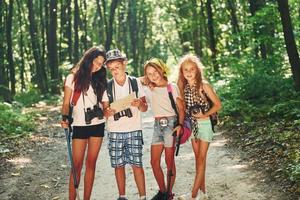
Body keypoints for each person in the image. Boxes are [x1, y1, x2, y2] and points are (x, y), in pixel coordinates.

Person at [61, 46, 107, 200]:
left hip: (98, 125)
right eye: (96, 61)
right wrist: (65, 118)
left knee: (91, 164)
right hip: (80, 125)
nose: (98, 66)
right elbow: (66, 103)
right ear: (89, 58)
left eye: (101, 64)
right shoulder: (72, 78)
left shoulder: (100, 79)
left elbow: (105, 102)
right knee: (77, 166)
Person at [102, 49, 148, 200]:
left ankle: (143, 196)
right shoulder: (107, 87)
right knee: (118, 165)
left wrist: (139, 103)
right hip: (114, 131)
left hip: (134, 129)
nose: (114, 71)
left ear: (124, 63)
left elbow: (145, 107)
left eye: (117, 67)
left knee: (137, 164)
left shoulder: (135, 82)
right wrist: (107, 112)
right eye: (111, 69)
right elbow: (104, 111)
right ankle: (122, 196)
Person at [177, 54, 221, 200]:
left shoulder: (204, 86)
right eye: (185, 70)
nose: (189, 72)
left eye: (192, 69)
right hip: (192, 126)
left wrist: (205, 115)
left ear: (197, 70)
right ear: (182, 72)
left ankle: (193, 195)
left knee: (201, 159)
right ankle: (203, 192)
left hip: (204, 125)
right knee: (198, 159)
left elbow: (218, 105)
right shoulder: (184, 88)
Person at [142, 58, 185, 200]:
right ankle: (162, 191)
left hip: (171, 125)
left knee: (169, 162)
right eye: (149, 74)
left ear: (162, 69)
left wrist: (179, 124)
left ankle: (169, 193)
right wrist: (148, 80)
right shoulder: (149, 87)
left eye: (155, 71)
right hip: (157, 126)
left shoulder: (171, 87)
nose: (153, 75)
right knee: (154, 162)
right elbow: (134, 80)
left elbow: (181, 108)